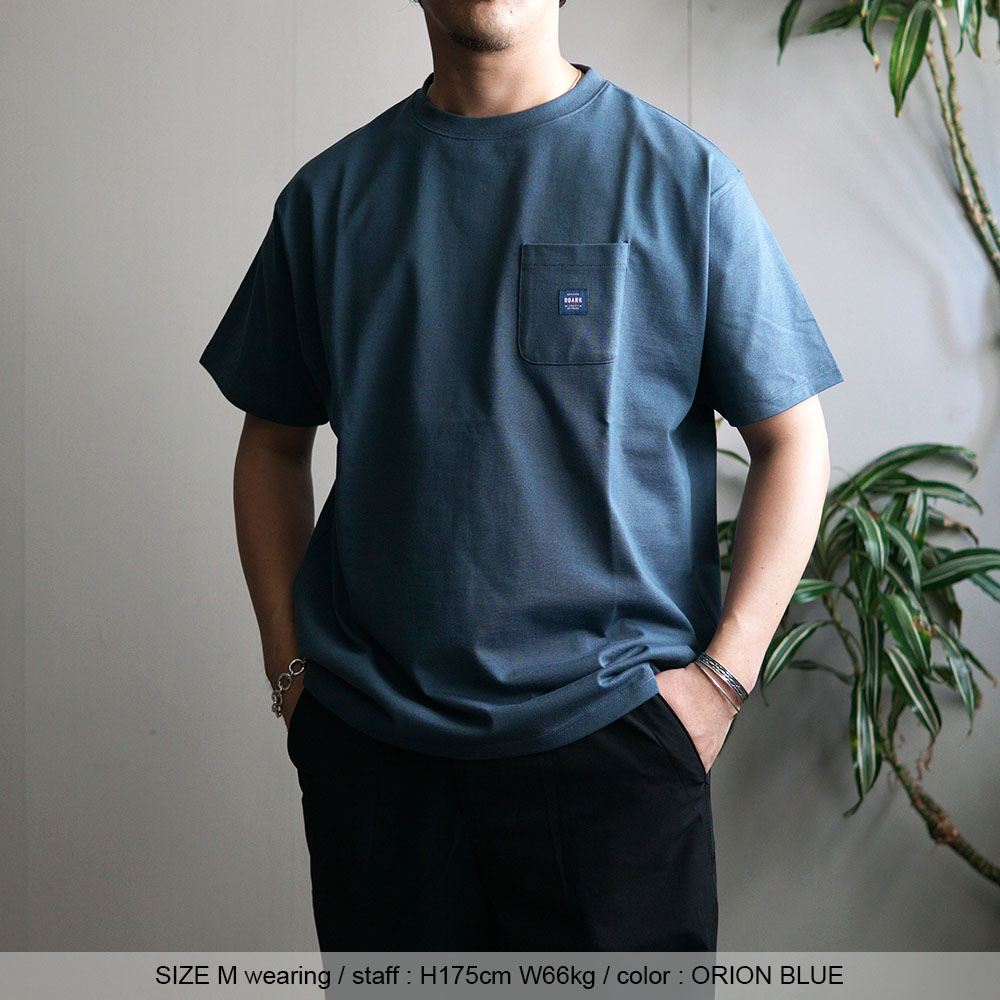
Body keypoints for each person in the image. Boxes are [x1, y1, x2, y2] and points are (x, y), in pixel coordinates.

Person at [199, 0, 843, 952]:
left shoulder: (680, 180)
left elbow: (794, 441)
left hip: (616, 747)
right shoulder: (330, 199)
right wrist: (291, 672)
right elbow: (271, 445)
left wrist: (721, 682)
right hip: (377, 763)